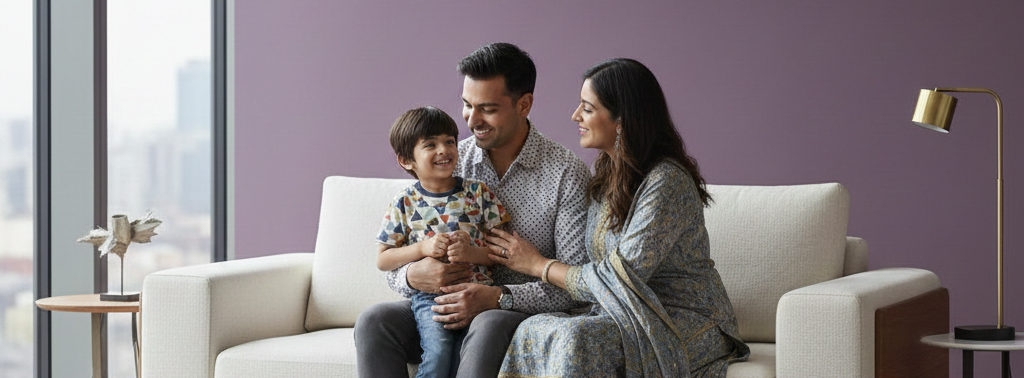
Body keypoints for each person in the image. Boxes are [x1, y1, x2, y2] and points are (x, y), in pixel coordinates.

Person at [486, 58, 751, 377]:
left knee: (577, 337)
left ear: (621, 119)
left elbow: (622, 275)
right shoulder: (606, 178)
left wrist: (538, 265)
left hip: (683, 318)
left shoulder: (666, 183)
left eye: (587, 108)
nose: (575, 116)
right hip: (619, 313)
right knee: (533, 328)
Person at [354, 42, 592, 378]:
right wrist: (411, 275)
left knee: (489, 324)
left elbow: (575, 286)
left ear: (524, 104)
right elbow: (400, 250)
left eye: (487, 109)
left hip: (515, 313)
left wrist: (497, 298)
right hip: (441, 306)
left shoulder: (566, 174)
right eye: (467, 105)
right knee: (375, 321)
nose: (471, 120)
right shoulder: (447, 159)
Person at [375, 106, 512, 378]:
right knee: (437, 358)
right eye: (430, 145)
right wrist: (422, 249)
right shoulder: (403, 202)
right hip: (430, 300)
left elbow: (504, 252)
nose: (444, 150)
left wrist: (471, 252)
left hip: (477, 296)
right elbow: (383, 259)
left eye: (449, 141)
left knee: (461, 362)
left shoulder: (478, 192)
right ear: (406, 160)